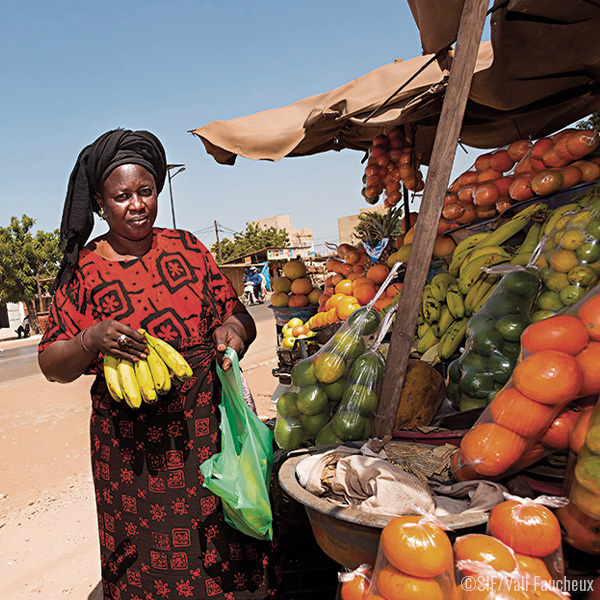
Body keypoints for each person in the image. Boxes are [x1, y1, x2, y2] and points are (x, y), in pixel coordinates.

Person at [38, 129, 281, 600]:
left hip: (205, 431)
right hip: (131, 453)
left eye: (146, 191)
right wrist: (90, 339)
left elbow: (238, 317)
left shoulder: (188, 248)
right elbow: (52, 362)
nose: (137, 205)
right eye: (122, 195)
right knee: (144, 562)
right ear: (100, 204)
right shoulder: (84, 270)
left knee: (223, 545)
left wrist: (233, 335)